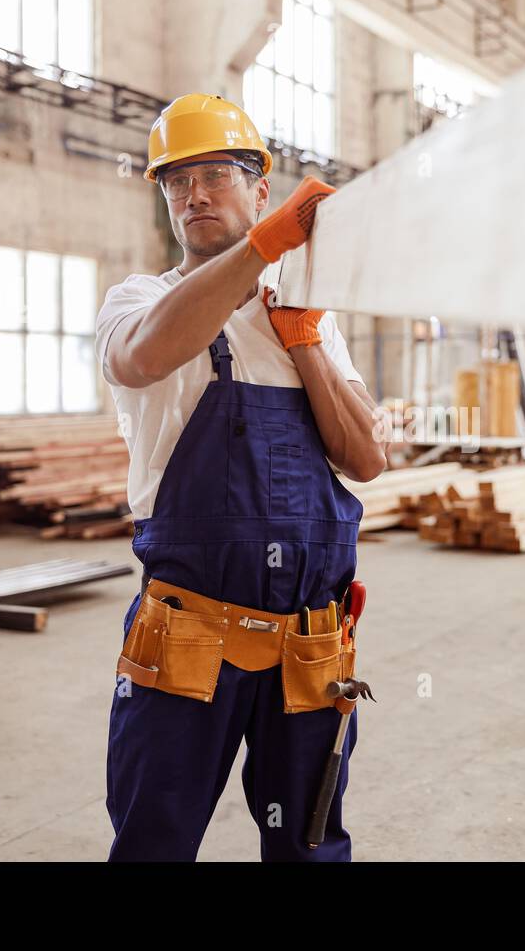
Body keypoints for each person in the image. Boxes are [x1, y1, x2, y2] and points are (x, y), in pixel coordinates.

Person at [95, 93, 386, 861]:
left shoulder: (309, 315)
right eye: (175, 181)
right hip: (186, 639)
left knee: (310, 848)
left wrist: (306, 344)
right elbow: (145, 356)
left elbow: (365, 457)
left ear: (260, 187)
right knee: (154, 843)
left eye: (215, 175)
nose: (193, 195)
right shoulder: (142, 301)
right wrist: (262, 248)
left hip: (308, 648)